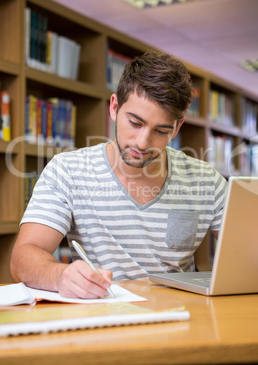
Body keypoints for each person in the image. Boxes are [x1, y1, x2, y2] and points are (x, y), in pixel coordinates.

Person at [10, 51, 227, 299]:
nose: (143, 142)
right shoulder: (68, 170)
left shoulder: (206, 181)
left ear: (177, 127)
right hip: (104, 313)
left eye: (160, 130)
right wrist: (59, 276)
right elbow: (23, 258)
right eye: (135, 123)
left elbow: (251, 254)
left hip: (183, 315)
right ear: (114, 107)